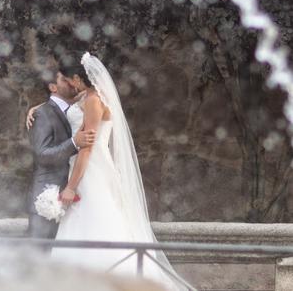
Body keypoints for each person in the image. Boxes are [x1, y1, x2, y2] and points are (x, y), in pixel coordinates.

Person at [26, 52, 191, 290]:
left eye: (67, 78)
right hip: (85, 170)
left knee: (94, 220)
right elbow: (62, 106)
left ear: (77, 78)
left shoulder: (93, 101)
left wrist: (71, 187)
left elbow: (86, 149)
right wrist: (37, 106)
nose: (68, 83)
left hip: (89, 170)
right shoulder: (89, 97)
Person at [26, 67, 96, 241]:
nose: (72, 82)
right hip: (49, 197)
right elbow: (42, 154)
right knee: (41, 258)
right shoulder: (42, 114)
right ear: (53, 88)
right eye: (64, 80)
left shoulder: (82, 106)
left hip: (78, 194)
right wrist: (74, 143)